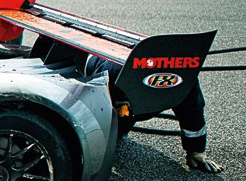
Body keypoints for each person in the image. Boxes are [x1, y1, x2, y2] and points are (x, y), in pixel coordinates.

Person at [85, 57, 222, 173]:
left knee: (118, 130)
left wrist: (196, 151)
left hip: (129, 97)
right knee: (111, 137)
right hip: (100, 72)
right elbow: (88, 107)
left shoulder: (184, 82)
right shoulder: (110, 76)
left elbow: (193, 113)